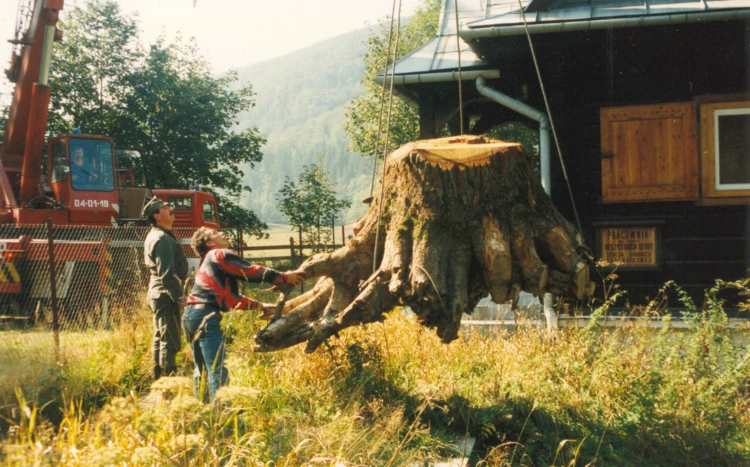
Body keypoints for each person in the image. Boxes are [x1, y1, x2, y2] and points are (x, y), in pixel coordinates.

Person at [184, 227, 305, 401]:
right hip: (204, 316)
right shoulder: (219, 254)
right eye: (216, 233)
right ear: (209, 243)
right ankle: (221, 415)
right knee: (217, 370)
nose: (222, 233)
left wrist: (259, 305)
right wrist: (284, 277)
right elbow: (250, 271)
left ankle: (201, 414)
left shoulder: (209, 264)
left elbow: (230, 298)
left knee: (201, 370)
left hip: (191, 316)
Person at [142, 196, 189, 380]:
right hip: (164, 294)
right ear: (157, 215)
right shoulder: (161, 238)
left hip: (158, 292)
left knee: (161, 336)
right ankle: (167, 384)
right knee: (169, 341)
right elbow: (167, 274)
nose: (171, 209)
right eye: (165, 207)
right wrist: (179, 297)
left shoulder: (159, 235)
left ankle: (158, 379)